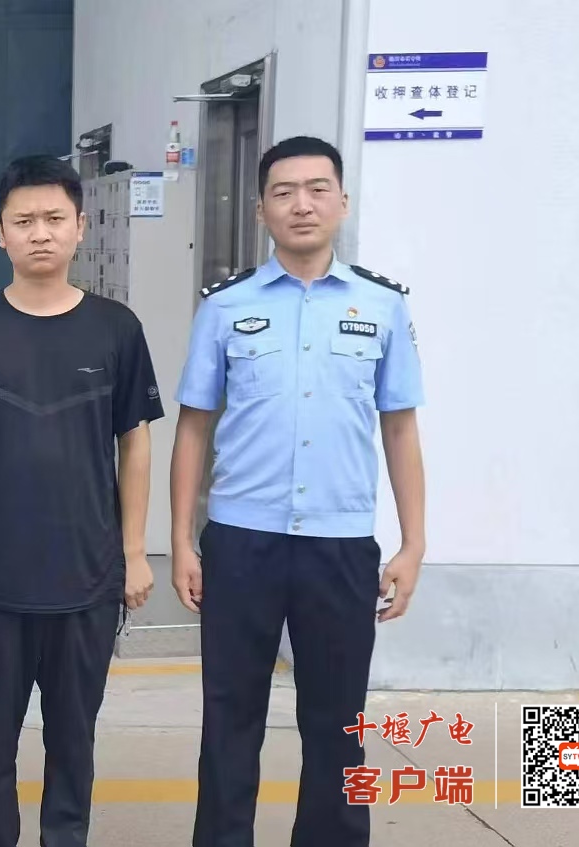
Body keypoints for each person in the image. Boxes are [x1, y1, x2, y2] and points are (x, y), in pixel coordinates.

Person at [168, 135, 426, 847]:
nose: (301, 204)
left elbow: (400, 429)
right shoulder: (225, 307)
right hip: (241, 542)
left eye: (317, 189)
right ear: (261, 210)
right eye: (284, 192)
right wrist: (181, 541)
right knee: (230, 717)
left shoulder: (382, 306)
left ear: (343, 202)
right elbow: (193, 427)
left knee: (338, 722)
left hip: (339, 545)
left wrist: (413, 543)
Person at [0, 155, 164, 847]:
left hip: (87, 581)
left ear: (81, 226)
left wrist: (133, 552)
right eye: (23, 221)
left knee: (74, 741)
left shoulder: (116, 329)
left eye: (55, 218)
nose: (41, 233)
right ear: (0, 234)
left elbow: (136, 444)